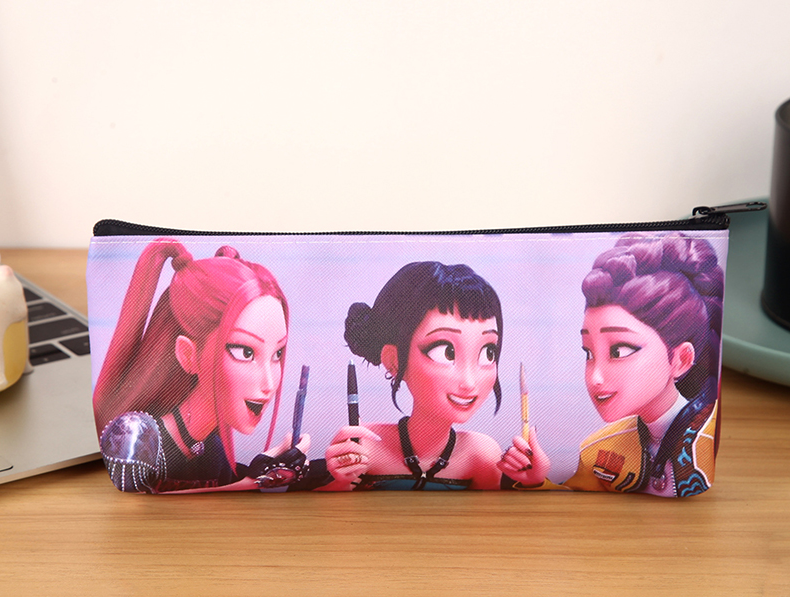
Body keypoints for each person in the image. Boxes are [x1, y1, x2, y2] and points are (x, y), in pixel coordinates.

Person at [93, 238, 308, 493]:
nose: (269, 384)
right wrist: (254, 482)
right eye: (245, 352)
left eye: (277, 354)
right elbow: (135, 503)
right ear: (188, 354)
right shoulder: (134, 439)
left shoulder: (212, 449)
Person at [321, 261, 550, 491]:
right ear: (394, 361)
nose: (469, 382)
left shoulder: (481, 455)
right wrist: (339, 485)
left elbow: (491, 513)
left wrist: (532, 483)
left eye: (487, 352)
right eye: (446, 352)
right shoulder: (364, 447)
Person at [561, 232, 722, 496]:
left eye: (620, 350)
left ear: (681, 359)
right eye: (589, 353)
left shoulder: (704, 441)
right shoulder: (597, 449)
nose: (595, 377)